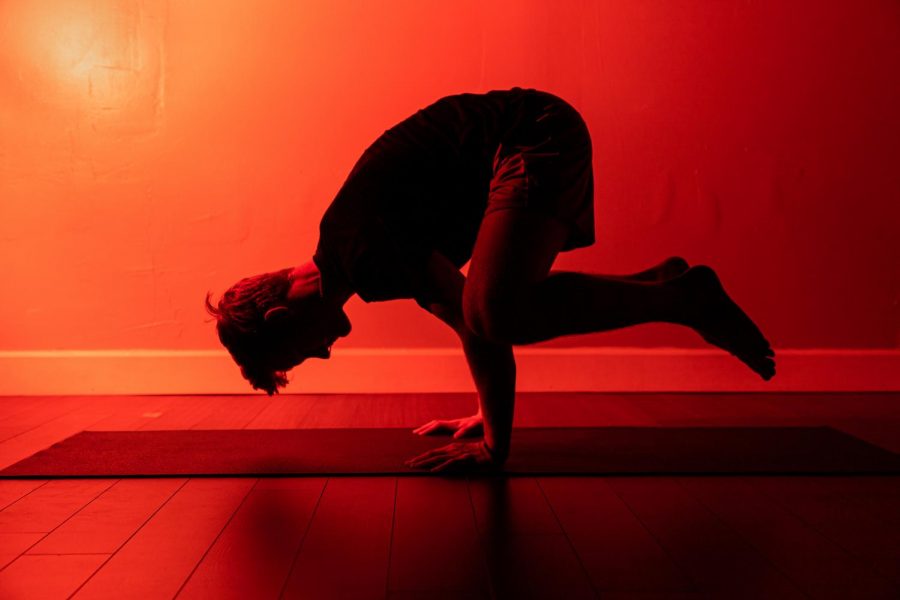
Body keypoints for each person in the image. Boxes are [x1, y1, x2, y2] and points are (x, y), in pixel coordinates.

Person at [205, 87, 776, 472]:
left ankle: (684, 299)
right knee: (491, 306)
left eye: (303, 352)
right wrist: (486, 411)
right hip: (529, 136)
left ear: (283, 316)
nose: (324, 353)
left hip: (533, 136)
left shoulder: (359, 251)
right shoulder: (350, 249)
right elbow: (466, 317)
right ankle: (668, 285)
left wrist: (494, 446)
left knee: (497, 309)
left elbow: (476, 321)